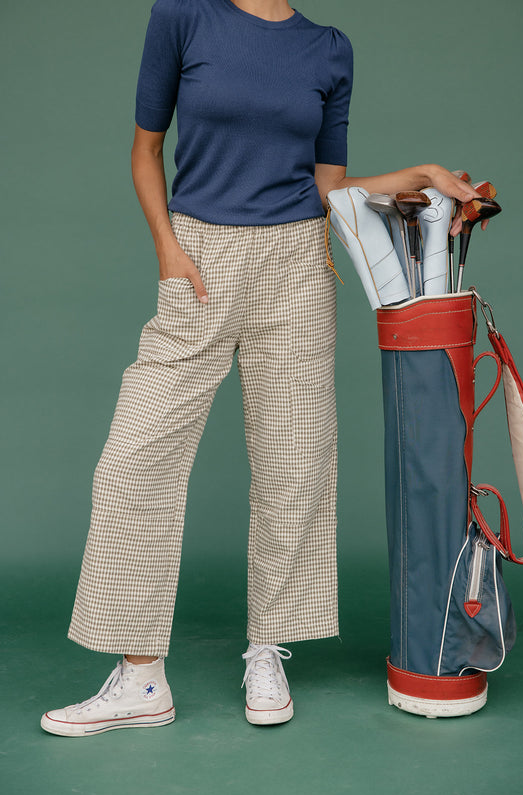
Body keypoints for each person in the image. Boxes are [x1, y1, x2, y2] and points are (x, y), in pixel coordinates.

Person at [40, 0, 484, 737]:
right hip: (199, 259)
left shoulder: (328, 49)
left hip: (298, 265)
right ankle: (141, 677)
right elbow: (145, 148)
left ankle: (266, 648)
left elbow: (326, 188)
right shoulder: (183, 17)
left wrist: (419, 175)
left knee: (294, 465)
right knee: (132, 462)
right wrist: (168, 249)